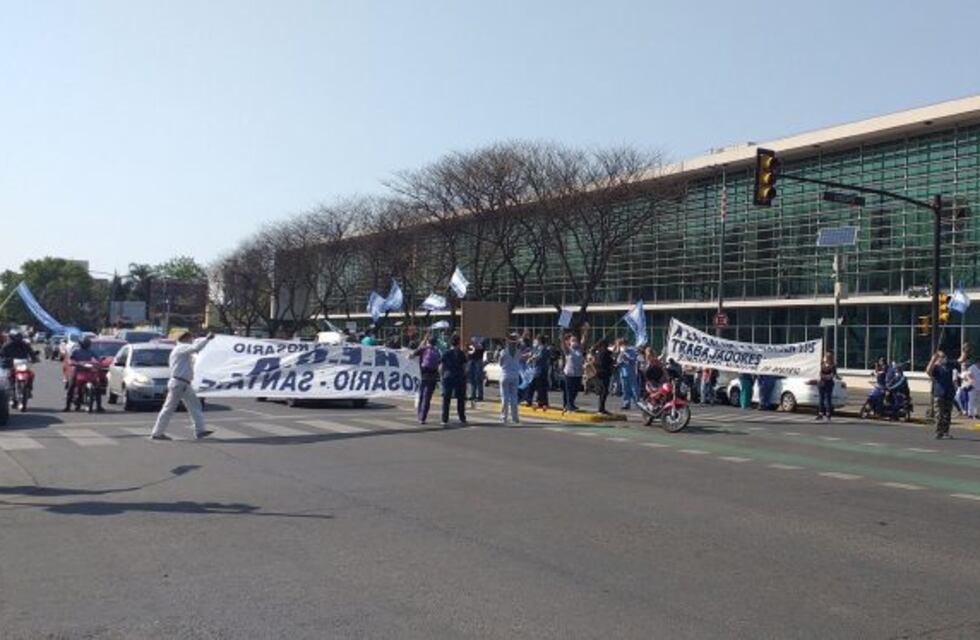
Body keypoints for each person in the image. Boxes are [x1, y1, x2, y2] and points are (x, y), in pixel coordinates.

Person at [149, 331, 216, 440]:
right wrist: (207, 339)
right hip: (180, 383)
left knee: (193, 406)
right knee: (171, 408)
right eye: (190, 339)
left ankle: (199, 430)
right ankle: (157, 433)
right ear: (186, 338)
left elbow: (196, 344)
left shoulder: (180, 349)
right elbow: (196, 347)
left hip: (182, 383)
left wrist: (206, 339)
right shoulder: (181, 348)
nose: (191, 341)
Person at [65, 335, 104, 412]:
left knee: (97, 387)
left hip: (88, 371)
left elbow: (97, 358)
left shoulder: (91, 351)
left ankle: (99, 406)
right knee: (71, 387)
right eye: (84, 344)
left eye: (87, 344)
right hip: (78, 371)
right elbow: (70, 359)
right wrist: (73, 363)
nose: (85, 345)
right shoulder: (76, 351)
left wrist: (99, 362)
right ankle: (67, 406)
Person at [926, 350, 955, 439]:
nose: (944, 358)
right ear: (937, 358)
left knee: (947, 414)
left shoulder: (949, 366)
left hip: (949, 393)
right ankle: (939, 432)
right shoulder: (936, 367)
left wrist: (965, 351)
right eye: (941, 357)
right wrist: (932, 360)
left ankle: (946, 432)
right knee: (939, 414)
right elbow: (928, 371)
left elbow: (960, 360)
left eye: (944, 356)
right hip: (939, 393)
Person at [412, 333, 441, 424]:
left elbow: (412, 355)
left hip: (423, 375)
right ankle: (423, 417)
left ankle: (420, 415)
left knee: (422, 396)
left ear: (428, 341)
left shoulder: (423, 349)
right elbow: (439, 363)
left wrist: (422, 343)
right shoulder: (437, 351)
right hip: (433, 376)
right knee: (427, 398)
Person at [439, 334, 467, 426]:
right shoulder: (461, 353)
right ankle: (462, 418)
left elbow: (441, 367)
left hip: (448, 377)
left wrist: (441, 377)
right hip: (459, 377)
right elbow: (464, 367)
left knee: (446, 399)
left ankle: (444, 419)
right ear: (458, 342)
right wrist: (465, 376)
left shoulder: (446, 353)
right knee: (461, 399)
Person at [498, 334, 522, 424]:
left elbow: (500, 363)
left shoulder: (503, 352)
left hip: (505, 375)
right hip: (515, 375)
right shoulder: (518, 352)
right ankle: (515, 417)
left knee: (505, 397)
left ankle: (504, 417)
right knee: (514, 397)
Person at [561, 331, 585, 412]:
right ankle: (569, 406)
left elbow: (584, 340)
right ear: (569, 342)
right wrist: (562, 337)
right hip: (569, 373)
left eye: (576, 340)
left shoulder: (579, 349)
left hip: (578, 373)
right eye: (573, 340)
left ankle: (571, 404)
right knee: (569, 391)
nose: (574, 342)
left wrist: (585, 332)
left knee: (575, 390)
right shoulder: (568, 350)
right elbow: (563, 345)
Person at [528, 335, 551, 409]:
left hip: (541, 370)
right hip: (538, 370)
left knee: (541, 387)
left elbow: (539, 356)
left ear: (540, 341)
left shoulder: (543, 348)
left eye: (536, 340)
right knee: (539, 387)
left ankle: (542, 402)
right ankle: (541, 402)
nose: (535, 342)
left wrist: (531, 358)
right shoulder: (539, 348)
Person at [616, 339, 639, 410]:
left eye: (622, 344)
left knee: (634, 388)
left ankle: (637, 403)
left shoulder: (632, 351)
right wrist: (619, 361)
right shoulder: (621, 352)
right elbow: (618, 361)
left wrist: (626, 357)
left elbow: (633, 359)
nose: (622, 346)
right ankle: (626, 403)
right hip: (622, 372)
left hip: (630, 372)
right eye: (620, 345)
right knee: (625, 388)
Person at [592, 339, 614, 414]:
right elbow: (610, 360)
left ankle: (601, 408)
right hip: (604, 373)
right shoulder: (605, 353)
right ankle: (601, 408)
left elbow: (593, 351)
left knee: (602, 390)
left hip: (598, 373)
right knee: (604, 391)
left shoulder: (597, 353)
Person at [816, 353, 837, 421]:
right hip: (821, 384)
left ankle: (828, 414)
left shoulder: (833, 366)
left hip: (829, 384)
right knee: (821, 399)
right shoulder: (821, 365)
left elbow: (832, 375)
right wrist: (823, 376)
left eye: (827, 357)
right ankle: (820, 414)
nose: (825, 358)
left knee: (828, 399)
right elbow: (819, 373)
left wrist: (825, 376)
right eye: (825, 357)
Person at [466, 337, 486, 402]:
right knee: (472, 378)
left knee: (478, 378)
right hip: (471, 359)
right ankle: (473, 394)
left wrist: (474, 344)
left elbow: (481, 347)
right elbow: (468, 348)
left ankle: (480, 396)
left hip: (478, 359)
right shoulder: (469, 337)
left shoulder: (482, 338)